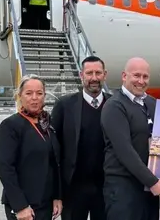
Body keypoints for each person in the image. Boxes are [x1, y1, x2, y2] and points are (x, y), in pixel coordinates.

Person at [101, 57, 160, 220]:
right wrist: (153, 182)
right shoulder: (114, 106)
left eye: (145, 77)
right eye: (136, 75)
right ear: (124, 76)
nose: (141, 81)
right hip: (124, 190)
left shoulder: (152, 103)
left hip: (148, 190)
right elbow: (124, 150)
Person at [0, 74, 63, 220]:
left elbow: (54, 162)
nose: (34, 97)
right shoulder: (11, 126)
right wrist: (20, 206)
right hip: (25, 206)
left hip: (45, 202)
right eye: (29, 93)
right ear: (20, 96)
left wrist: (57, 196)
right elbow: (6, 169)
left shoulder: (47, 123)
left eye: (39, 93)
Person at [51, 56, 110, 220]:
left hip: (106, 189)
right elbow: (55, 150)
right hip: (74, 189)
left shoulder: (115, 105)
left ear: (105, 75)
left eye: (98, 73)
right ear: (81, 75)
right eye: (89, 73)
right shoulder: (64, 105)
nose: (94, 78)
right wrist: (57, 191)